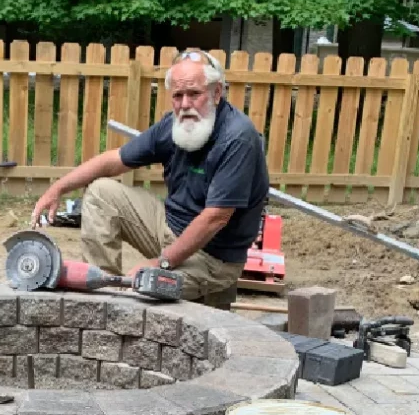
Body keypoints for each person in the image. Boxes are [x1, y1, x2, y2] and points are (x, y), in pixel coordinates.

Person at [31, 48, 269, 301]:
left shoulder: (237, 137)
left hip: (213, 258)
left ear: (216, 92)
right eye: (178, 95)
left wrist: (161, 263)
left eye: (194, 94)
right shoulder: (174, 124)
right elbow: (115, 160)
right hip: (169, 229)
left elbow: (215, 218)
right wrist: (58, 188)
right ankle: (101, 292)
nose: (185, 104)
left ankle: (121, 293)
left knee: (143, 287)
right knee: (102, 192)